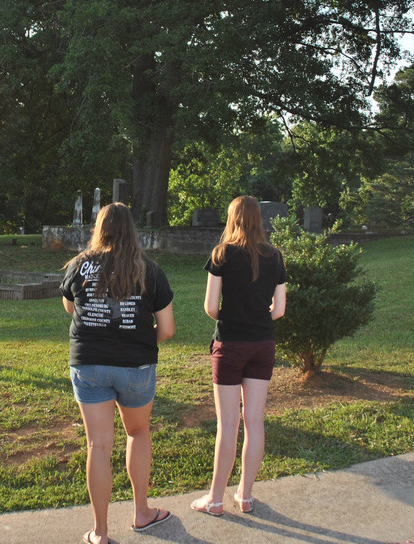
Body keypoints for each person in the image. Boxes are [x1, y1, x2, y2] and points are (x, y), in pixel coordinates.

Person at [60, 203, 175, 544]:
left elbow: (71, 306)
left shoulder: (80, 266)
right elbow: (167, 328)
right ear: (131, 230)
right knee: (138, 434)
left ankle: (100, 532)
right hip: (135, 366)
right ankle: (142, 513)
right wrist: (141, 341)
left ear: (100, 229)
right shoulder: (149, 269)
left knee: (98, 444)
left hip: (89, 363)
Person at [191, 195, 287, 517]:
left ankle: (215, 500)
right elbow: (280, 309)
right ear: (259, 219)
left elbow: (209, 307)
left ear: (232, 219)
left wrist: (232, 317)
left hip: (230, 344)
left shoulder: (222, 254)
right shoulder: (275, 256)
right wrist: (257, 318)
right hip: (262, 345)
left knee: (228, 424)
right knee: (254, 422)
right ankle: (245, 497)